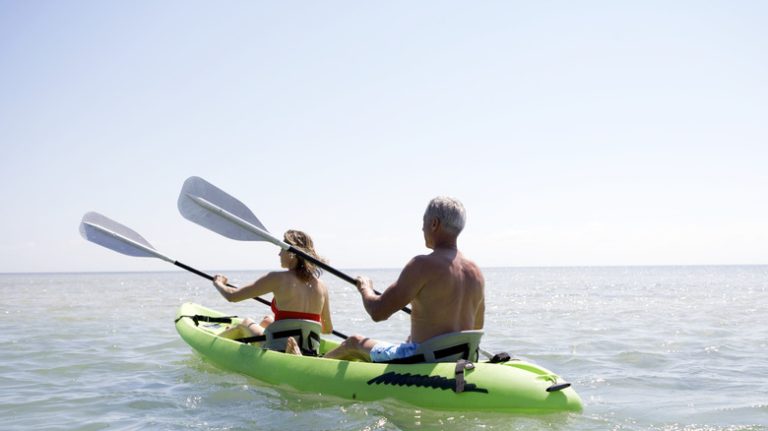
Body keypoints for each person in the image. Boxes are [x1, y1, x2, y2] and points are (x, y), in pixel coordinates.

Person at [324, 196, 484, 362]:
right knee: (404, 342)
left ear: (434, 223)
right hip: (460, 358)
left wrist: (365, 288)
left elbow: (378, 312)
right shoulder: (476, 272)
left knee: (354, 342)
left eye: (424, 222)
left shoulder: (421, 265)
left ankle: (312, 366)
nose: (422, 228)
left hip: (421, 360)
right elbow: (476, 327)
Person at [211, 230, 333, 354]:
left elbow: (232, 296)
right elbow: (327, 329)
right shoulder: (322, 286)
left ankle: (212, 344)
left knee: (245, 323)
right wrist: (301, 327)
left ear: (292, 254)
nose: (279, 254)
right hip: (309, 349)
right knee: (267, 320)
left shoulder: (277, 278)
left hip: (277, 347)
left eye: (281, 249)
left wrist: (218, 283)